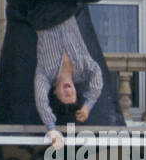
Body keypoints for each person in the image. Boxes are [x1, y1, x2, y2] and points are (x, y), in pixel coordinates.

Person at [35, 14, 104, 147]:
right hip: (65, 8)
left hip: (44, 11)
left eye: (64, 96)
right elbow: (96, 72)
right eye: (71, 95)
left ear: (55, 93)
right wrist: (88, 105)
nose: (68, 91)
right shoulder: (81, 69)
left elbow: (41, 100)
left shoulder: (44, 74)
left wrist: (52, 129)